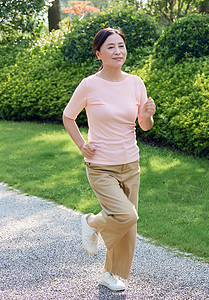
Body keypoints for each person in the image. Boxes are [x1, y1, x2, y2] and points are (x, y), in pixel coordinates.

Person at [62, 27, 155, 291]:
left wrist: (148, 113)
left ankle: (109, 274)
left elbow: (144, 126)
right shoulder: (90, 84)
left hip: (130, 164)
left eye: (121, 46)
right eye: (111, 47)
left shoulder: (136, 82)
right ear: (98, 54)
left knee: (128, 228)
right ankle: (91, 222)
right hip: (101, 165)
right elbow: (68, 116)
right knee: (126, 215)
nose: (118, 51)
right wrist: (82, 144)